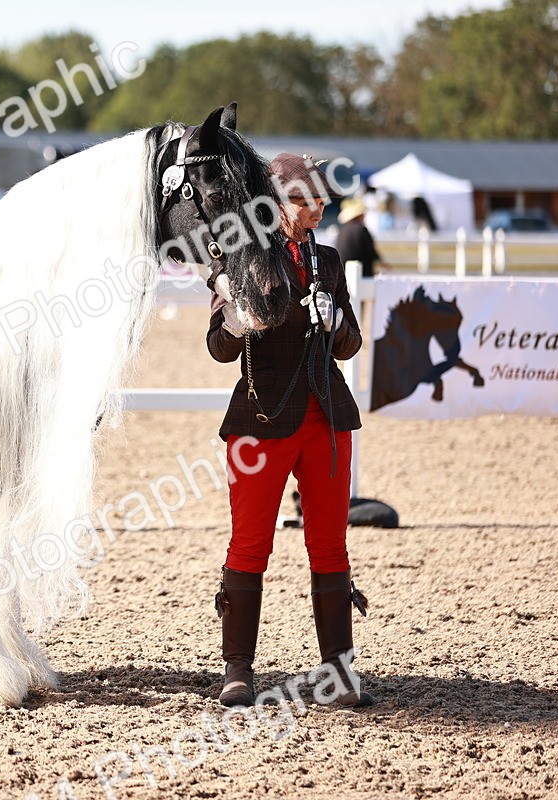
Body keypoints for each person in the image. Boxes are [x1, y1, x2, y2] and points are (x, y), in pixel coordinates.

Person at [206, 153, 374, 709]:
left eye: (320, 200)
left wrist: (337, 321)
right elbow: (219, 348)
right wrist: (235, 317)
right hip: (259, 422)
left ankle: (338, 671)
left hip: (326, 420)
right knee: (250, 543)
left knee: (330, 543)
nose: (316, 210)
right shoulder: (240, 258)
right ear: (273, 205)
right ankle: (237, 670)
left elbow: (349, 345)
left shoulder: (327, 261)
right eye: (303, 199)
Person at [334, 197, 384, 278]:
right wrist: (381, 262)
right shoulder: (361, 229)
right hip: (361, 273)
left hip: (343, 272)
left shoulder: (342, 230)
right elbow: (370, 251)